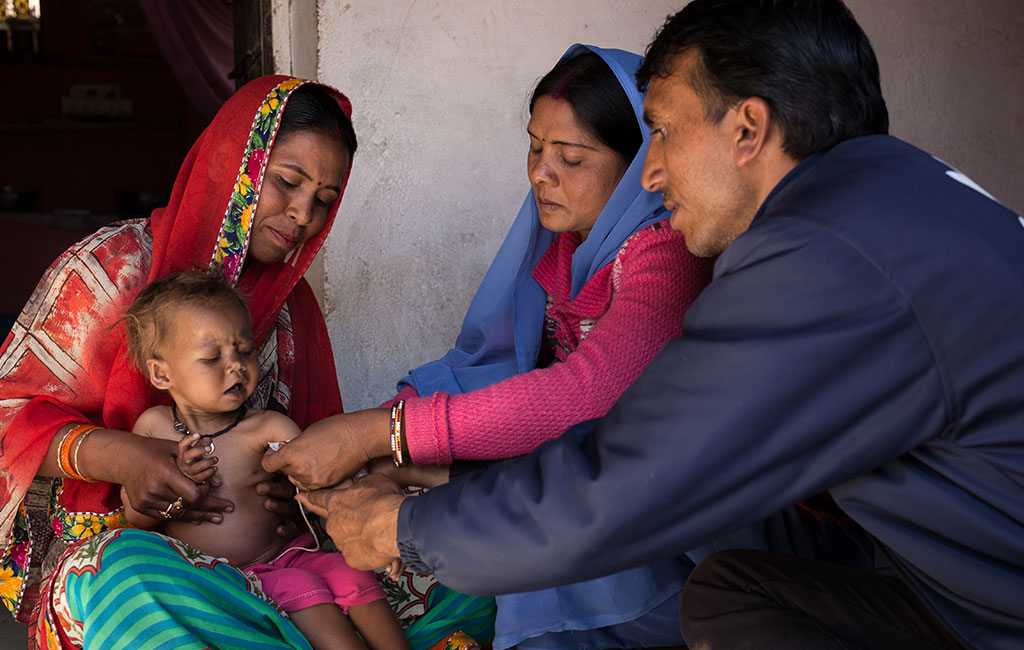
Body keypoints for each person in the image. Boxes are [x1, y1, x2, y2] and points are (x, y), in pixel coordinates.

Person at [290, 2, 1024, 650]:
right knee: (734, 597)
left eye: (665, 133)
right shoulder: (886, 197)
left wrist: (405, 530)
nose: (652, 171)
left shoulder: (823, 256)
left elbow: (630, 475)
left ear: (748, 127)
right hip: (966, 598)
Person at [266, 44, 716, 650]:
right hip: (572, 480)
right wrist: (386, 444)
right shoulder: (564, 243)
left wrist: (384, 433)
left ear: (642, 161)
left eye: (572, 158)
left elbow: (586, 398)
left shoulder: (667, 250)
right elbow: (490, 364)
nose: (540, 174)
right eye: (535, 147)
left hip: (656, 532)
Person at [0, 76, 474, 650]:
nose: (302, 215)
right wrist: (127, 458)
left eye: (323, 201)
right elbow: (8, 416)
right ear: (239, 165)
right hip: (133, 548)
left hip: (279, 564)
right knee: (122, 580)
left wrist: (289, 497)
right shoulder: (112, 271)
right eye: (287, 183)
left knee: (465, 547)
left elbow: (317, 454)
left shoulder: (291, 304)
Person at [121, 271, 408, 650]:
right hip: (228, 579)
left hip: (292, 553)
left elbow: (324, 479)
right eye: (212, 357)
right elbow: (135, 517)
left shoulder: (268, 427)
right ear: (161, 372)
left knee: (349, 571)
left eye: (245, 350)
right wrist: (176, 483)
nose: (236, 366)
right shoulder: (153, 430)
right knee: (301, 588)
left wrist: (377, 526)